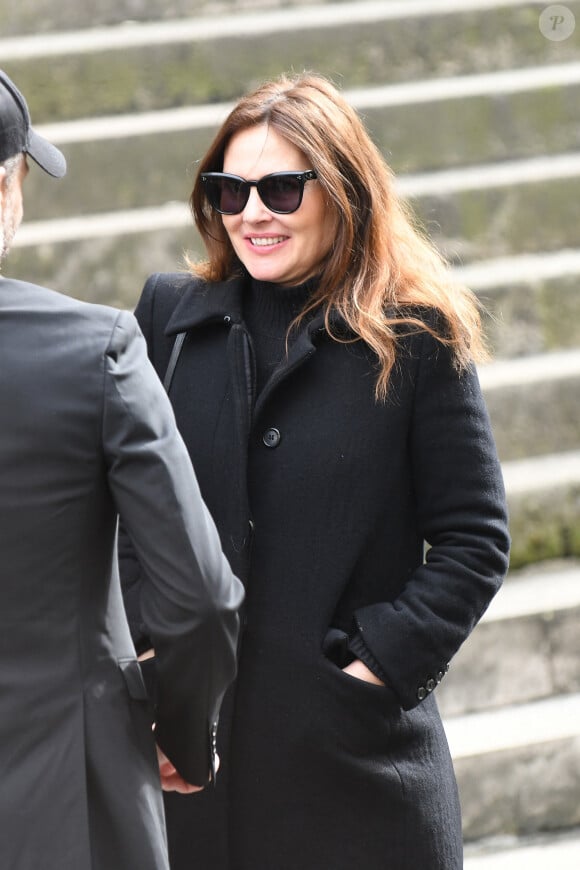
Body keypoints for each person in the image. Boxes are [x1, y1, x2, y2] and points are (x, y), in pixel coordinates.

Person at [120, 72, 510, 870]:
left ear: (342, 190)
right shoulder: (169, 319)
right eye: (231, 191)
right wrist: (155, 665)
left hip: (357, 774)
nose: (252, 213)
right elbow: (125, 510)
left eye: (281, 189)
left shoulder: (416, 335)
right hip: (191, 772)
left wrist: (367, 670)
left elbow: (474, 542)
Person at [0, 68, 244, 870]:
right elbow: (200, 596)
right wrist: (185, 739)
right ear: (10, 187)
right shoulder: (94, 353)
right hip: (70, 796)